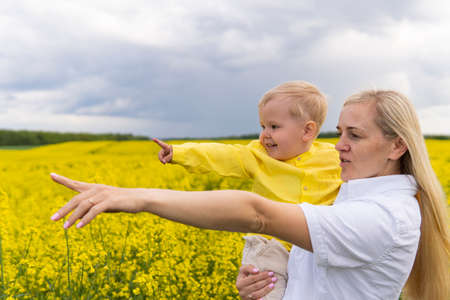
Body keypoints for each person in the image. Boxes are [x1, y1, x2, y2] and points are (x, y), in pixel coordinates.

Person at [50, 90, 449, 300]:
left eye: (355, 135)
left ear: (397, 146)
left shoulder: (383, 217)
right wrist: (262, 289)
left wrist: (138, 198)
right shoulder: (351, 199)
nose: (339, 145)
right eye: (340, 132)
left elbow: (257, 213)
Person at [153, 81, 342, 299]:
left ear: (308, 130)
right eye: (263, 126)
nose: (265, 135)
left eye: (274, 127)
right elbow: (222, 156)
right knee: (268, 294)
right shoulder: (257, 156)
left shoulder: (333, 158)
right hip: (269, 248)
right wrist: (180, 153)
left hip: (312, 251)